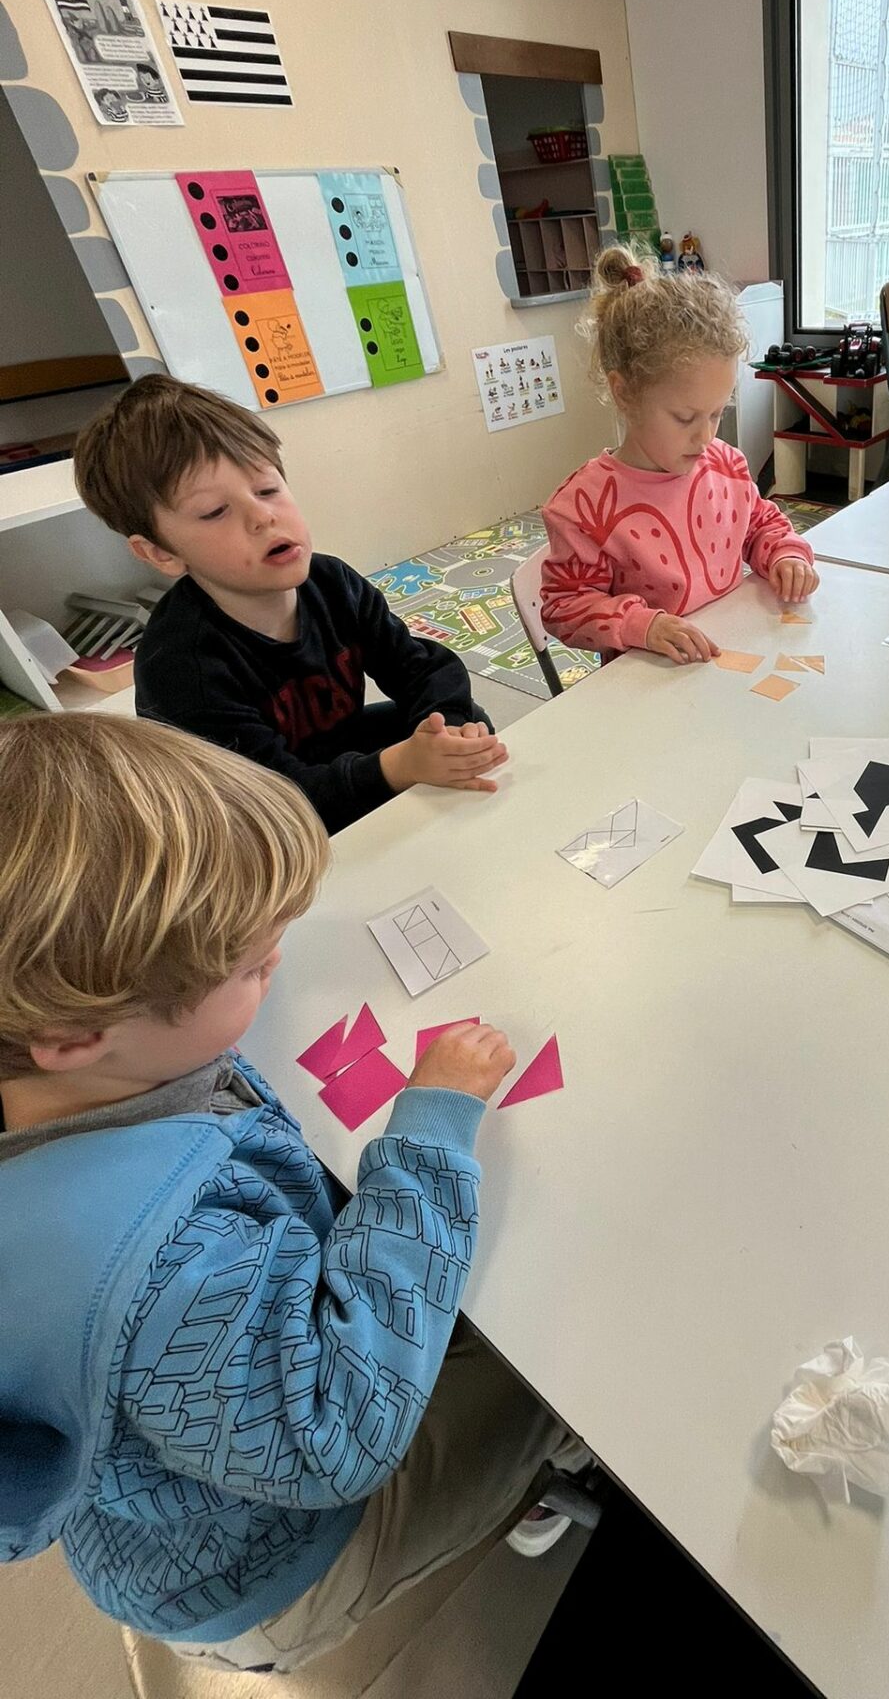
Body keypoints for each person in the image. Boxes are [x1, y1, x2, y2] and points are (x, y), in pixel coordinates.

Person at [0, 715, 577, 1674]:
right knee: (564, 1374)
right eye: (250, 967)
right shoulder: (155, 1271)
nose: (277, 967)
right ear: (75, 1037)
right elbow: (338, 1432)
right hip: (269, 1563)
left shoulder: (75, 1076)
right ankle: (543, 1479)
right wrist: (428, 1133)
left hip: (202, 1476)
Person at [73, 374, 507, 834]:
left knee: (463, 720)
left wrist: (448, 731)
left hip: (329, 755)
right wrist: (398, 767)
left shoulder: (332, 582)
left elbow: (420, 667)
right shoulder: (180, 666)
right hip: (254, 812)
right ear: (161, 553)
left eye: (267, 489)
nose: (263, 516)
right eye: (215, 512)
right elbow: (268, 803)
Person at [539, 245, 819, 663]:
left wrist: (786, 554)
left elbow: (759, 524)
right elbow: (564, 607)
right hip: (650, 681)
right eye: (685, 417)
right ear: (624, 393)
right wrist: (641, 625)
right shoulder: (583, 508)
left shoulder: (726, 465)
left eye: (717, 413)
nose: (705, 437)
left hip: (728, 660)